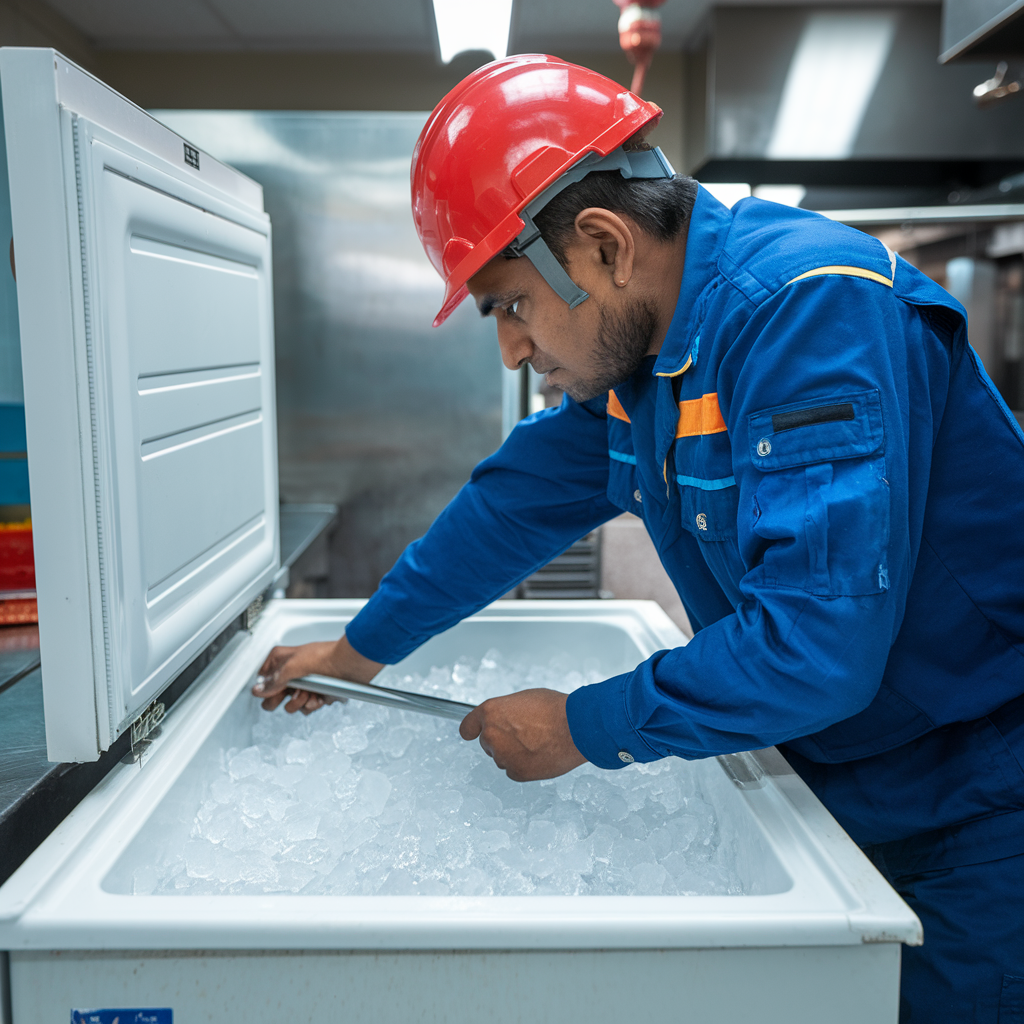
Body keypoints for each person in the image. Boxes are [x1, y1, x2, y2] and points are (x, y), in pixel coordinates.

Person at [253, 55, 1024, 1022]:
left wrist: (581, 728)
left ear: (606, 246)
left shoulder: (808, 311)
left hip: (974, 807)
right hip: (833, 778)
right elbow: (509, 508)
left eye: (512, 305)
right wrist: (360, 650)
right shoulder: (646, 366)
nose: (511, 348)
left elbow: (817, 648)